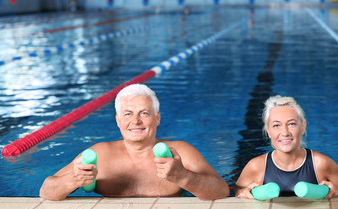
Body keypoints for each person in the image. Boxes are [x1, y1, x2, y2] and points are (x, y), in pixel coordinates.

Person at [40, 84, 229, 201]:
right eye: (128, 114)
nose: (136, 121)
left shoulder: (180, 152)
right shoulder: (100, 155)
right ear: (117, 120)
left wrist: (184, 176)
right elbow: (46, 191)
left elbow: (221, 190)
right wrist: (73, 180)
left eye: (144, 113)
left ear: (157, 118)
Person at [235, 95, 338, 199]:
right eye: (276, 125)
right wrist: (241, 192)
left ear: (302, 127)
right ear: (268, 131)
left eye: (291, 124)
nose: (285, 133)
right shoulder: (256, 166)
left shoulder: (320, 163)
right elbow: (236, 189)